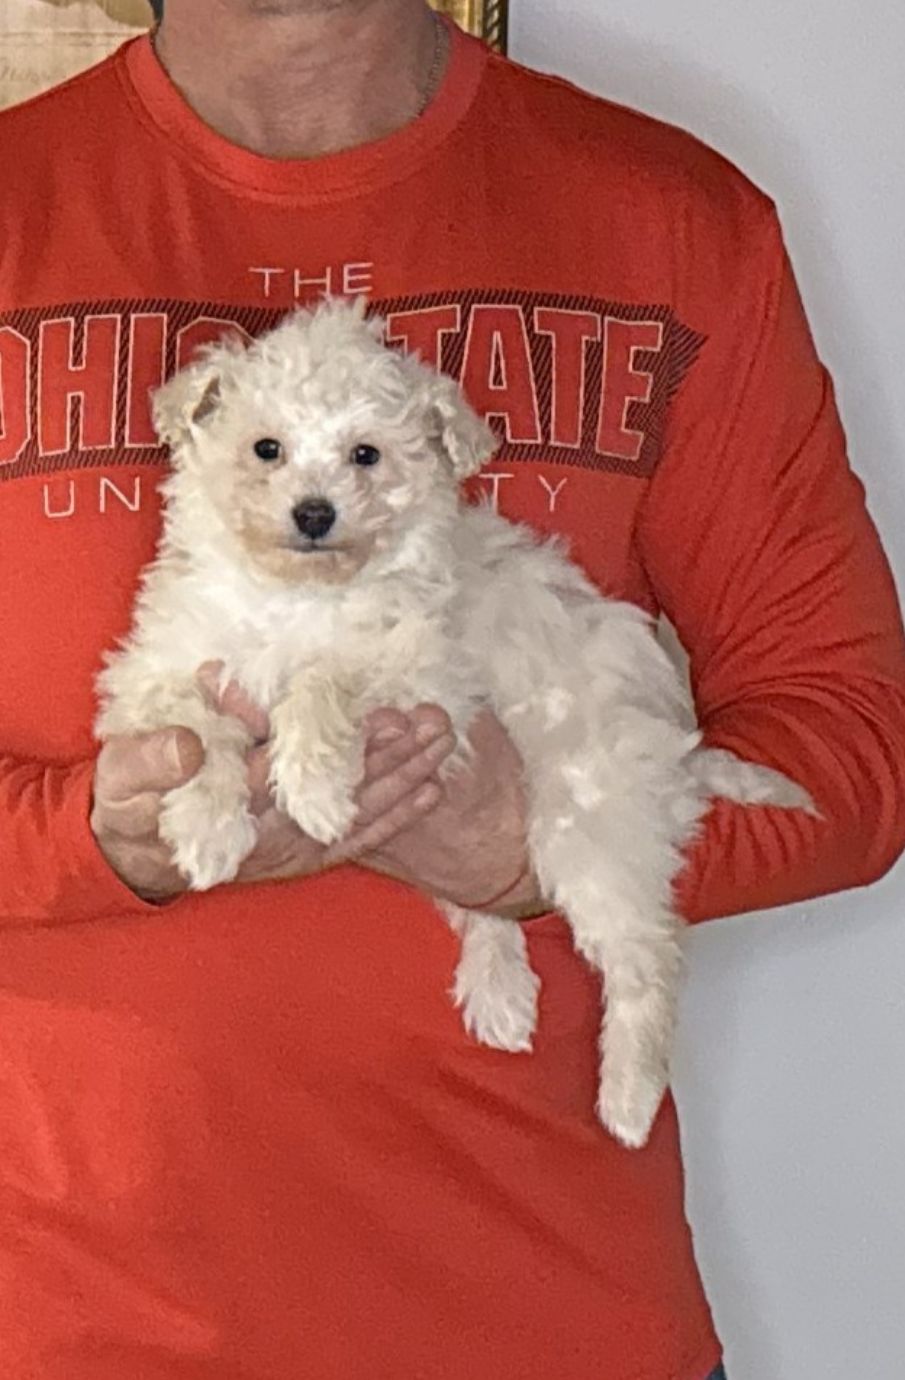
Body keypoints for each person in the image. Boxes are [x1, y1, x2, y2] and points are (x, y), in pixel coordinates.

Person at [0, 1, 903, 1376]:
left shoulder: (668, 219)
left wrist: (543, 847)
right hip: (73, 1324)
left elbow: (854, 756)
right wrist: (87, 839)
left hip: (550, 1318)